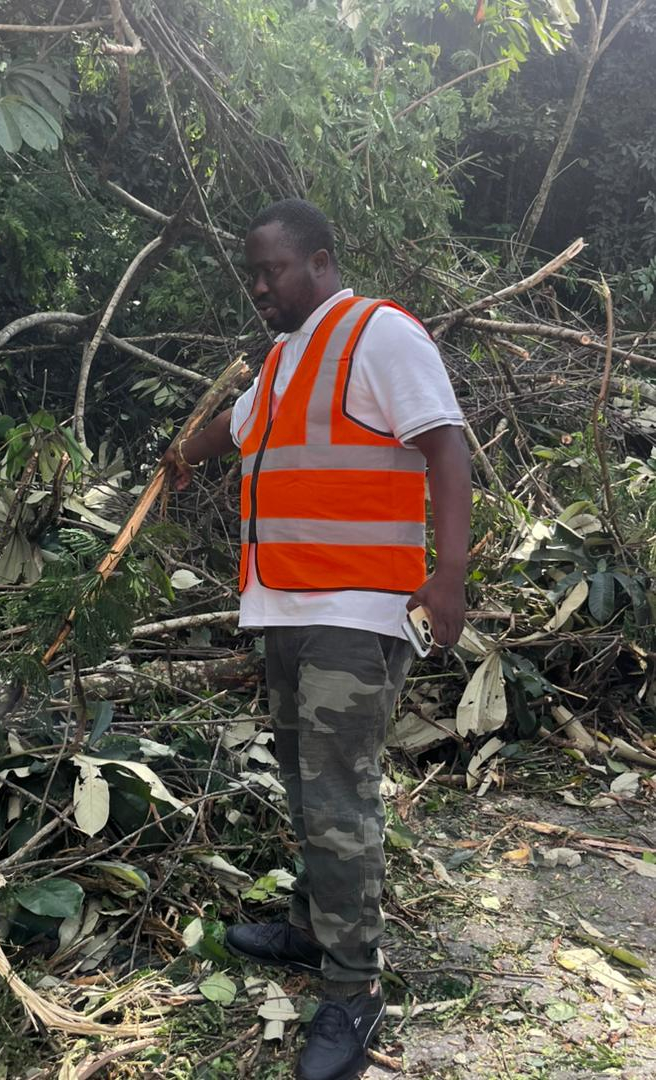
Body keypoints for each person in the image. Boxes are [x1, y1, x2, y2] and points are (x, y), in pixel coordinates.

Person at [164, 198, 470, 1080]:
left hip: (356, 614)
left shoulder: (379, 335)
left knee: (339, 800)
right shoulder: (285, 359)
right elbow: (238, 427)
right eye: (253, 275)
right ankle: (309, 928)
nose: (260, 287)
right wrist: (184, 455)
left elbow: (447, 446)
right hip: (287, 611)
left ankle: (353, 986)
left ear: (321, 263)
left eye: (274, 271)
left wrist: (449, 575)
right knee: (306, 788)